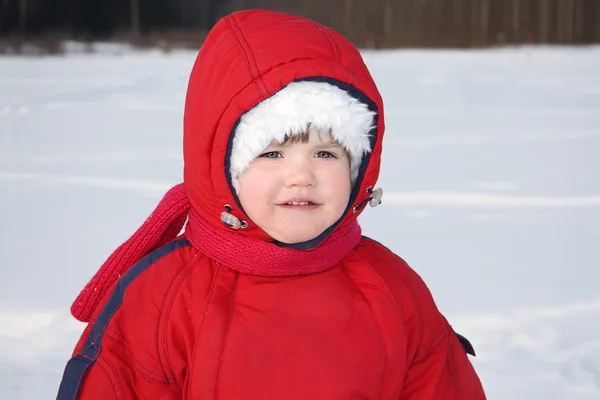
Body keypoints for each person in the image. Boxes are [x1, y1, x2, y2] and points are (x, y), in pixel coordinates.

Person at [56, 9, 486, 400]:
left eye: (326, 154)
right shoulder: (162, 296)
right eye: (272, 153)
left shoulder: (392, 289)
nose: (302, 176)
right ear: (221, 163)